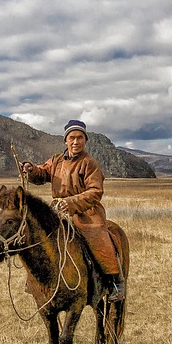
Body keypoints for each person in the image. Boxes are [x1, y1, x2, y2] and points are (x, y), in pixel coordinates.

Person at [20, 119, 126, 301]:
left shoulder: (89, 163)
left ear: (85, 141)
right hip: (58, 210)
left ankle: (115, 281)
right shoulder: (56, 160)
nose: (75, 142)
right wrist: (30, 170)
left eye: (79, 138)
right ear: (66, 140)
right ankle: (36, 279)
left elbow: (95, 191)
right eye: (72, 138)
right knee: (39, 237)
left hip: (86, 212)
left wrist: (71, 203)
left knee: (98, 238)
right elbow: (42, 173)